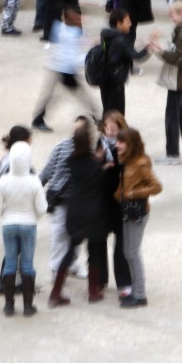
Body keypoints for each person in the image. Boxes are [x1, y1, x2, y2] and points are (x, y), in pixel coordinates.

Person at [48, 121, 109, 307]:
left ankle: (56, 292)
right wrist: (102, 163)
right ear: (90, 140)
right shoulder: (96, 164)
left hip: (75, 212)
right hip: (94, 213)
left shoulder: (72, 161)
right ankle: (93, 291)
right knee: (95, 252)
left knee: (70, 251)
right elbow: (99, 177)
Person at [0, 141, 47, 317]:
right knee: (27, 265)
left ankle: (9, 306)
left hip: (8, 224)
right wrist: (32, 217)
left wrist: (8, 215)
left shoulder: (4, 181)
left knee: (10, 264)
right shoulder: (34, 181)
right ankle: (28, 306)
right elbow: (42, 208)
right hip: (29, 224)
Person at [149, 0, 182, 166]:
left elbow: (175, 57)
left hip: (179, 79)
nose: (170, 16)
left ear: (181, 14)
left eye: (172, 13)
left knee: (172, 115)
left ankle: (172, 154)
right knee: (181, 113)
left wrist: (157, 50)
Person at [114, 127, 163, 308]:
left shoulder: (141, 163)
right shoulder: (127, 160)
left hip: (137, 212)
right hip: (128, 210)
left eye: (121, 142)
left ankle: (140, 295)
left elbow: (157, 186)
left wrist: (134, 193)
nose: (117, 145)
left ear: (130, 144)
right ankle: (136, 291)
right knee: (128, 251)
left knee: (133, 252)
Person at [41, 117, 92, 281]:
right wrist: (35, 186)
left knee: (75, 234)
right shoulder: (62, 146)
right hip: (60, 198)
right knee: (59, 233)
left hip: (78, 200)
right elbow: (48, 169)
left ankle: (72, 264)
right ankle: (56, 267)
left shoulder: (89, 151)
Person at [32, 7, 99, 133]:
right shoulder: (66, 30)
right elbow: (70, 53)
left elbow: (75, 44)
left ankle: (38, 119)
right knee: (79, 95)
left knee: (54, 95)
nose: (79, 20)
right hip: (61, 69)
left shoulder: (64, 28)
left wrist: (90, 41)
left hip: (60, 67)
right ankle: (97, 117)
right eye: (75, 18)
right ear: (68, 18)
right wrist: (87, 59)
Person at [99, 111, 132, 298]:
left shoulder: (126, 150)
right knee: (99, 242)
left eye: (114, 129)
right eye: (107, 128)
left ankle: (124, 283)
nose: (110, 133)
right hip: (102, 201)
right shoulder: (99, 147)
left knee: (121, 245)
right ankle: (100, 279)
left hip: (119, 202)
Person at [98, 9, 149, 115]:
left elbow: (106, 50)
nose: (130, 24)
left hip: (105, 79)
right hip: (115, 82)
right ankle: (110, 130)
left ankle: (106, 129)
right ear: (118, 23)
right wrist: (148, 46)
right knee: (116, 113)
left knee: (108, 109)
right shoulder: (120, 41)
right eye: (127, 22)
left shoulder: (106, 35)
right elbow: (137, 56)